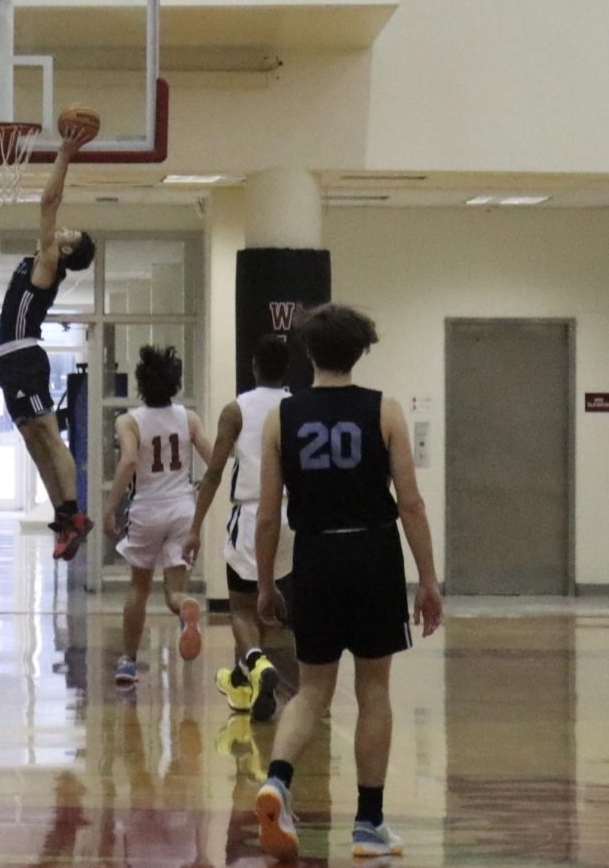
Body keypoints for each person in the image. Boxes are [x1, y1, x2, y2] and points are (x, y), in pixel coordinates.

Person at [250, 304, 443, 861]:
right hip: (373, 553)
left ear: (308, 353)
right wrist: (427, 579)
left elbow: (267, 515)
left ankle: (278, 780)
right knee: (374, 691)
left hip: (314, 555)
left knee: (311, 690)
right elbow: (410, 503)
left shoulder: (279, 418)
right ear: (361, 351)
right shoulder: (384, 410)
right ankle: (369, 825)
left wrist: (265, 584)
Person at [0, 126, 97, 561]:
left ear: (68, 253)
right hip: (9, 362)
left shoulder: (49, 262)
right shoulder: (43, 260)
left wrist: (64, 154)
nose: (62, 231)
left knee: (49, 436)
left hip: (24, 357)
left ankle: (75, 513)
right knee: (32, 439)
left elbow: (48, 202)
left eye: (68, 236)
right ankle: (63, 516)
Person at [184, 334, 293, 721]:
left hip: (251, 514)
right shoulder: (299, 406)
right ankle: (246, 682)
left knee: (242, 609)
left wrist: (195, 526)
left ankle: (258, 666)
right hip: (294, 517)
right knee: (271, 606)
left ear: (253, 367)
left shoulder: (237, 410)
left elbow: (214, 472)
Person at [102, 346, 214, 687]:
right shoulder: (189, 418)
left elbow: (129, 462)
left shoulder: (129, 421)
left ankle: (128, 662)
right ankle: (185, 607)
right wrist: (198, 489)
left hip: (148, 508)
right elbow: (214, 460)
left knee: (138, 589)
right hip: (183, 508)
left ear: (141, 384)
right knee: (173, 592)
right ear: (175, 383)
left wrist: (110, 507)